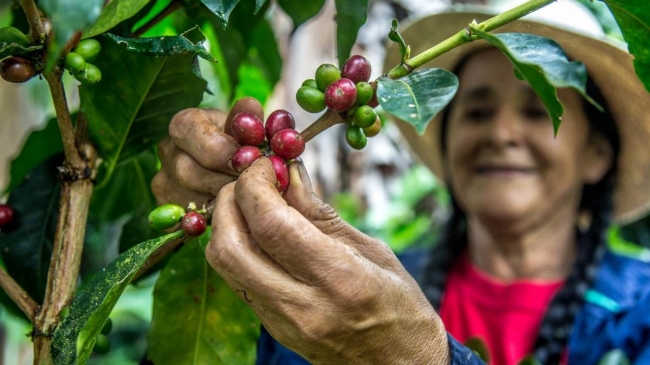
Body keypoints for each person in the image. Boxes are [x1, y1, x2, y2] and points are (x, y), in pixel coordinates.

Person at [151, 1, 650, 364]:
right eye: (476, 111)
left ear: (597, 154)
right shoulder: (350, 283)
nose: (501, 134)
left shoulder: (639, 312)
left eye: (539, 111)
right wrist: (207, 245)